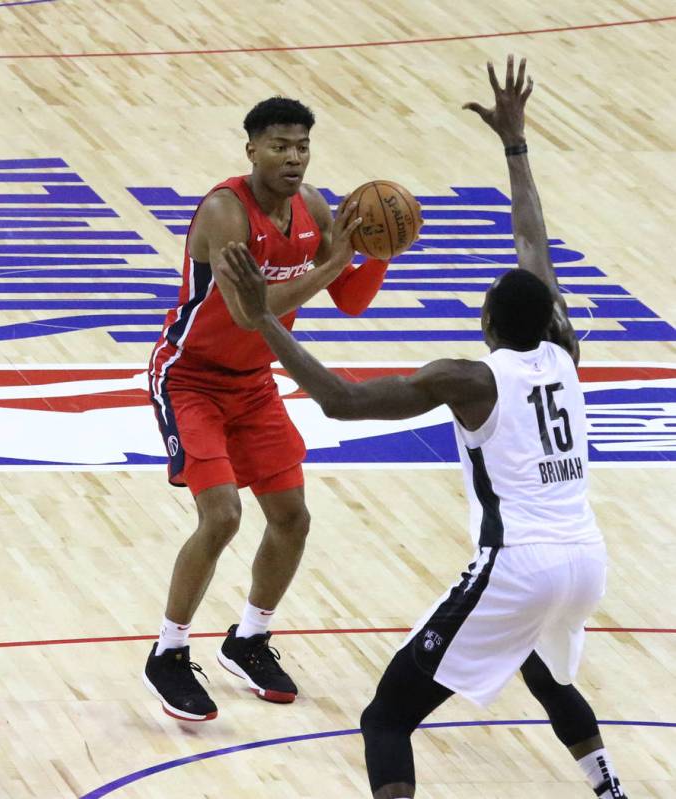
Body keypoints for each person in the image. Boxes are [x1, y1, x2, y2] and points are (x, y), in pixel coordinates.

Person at [220, 58, 628, 798]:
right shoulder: (564, 353)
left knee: (385, 717)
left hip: (520, 564)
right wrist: (516, 146)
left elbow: (340, 398)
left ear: (485, 323)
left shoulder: (467, 378)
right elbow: (533, 247)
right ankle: (607, 784)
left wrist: (262, 319)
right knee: (535, 662)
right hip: (586, 563)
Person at [143, 96, 390, 721]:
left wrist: (380, 253)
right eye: (280, 145)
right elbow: (254, 309)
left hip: (253, 381)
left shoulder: (311, 208)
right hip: (191, 378)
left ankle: (249, 639)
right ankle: (168, 653)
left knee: (292, 517)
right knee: (221, 515)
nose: (293, 157)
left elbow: (351, 302)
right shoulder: (225, 213)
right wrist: (337, 258)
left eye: (302, 146)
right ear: (251, 148)